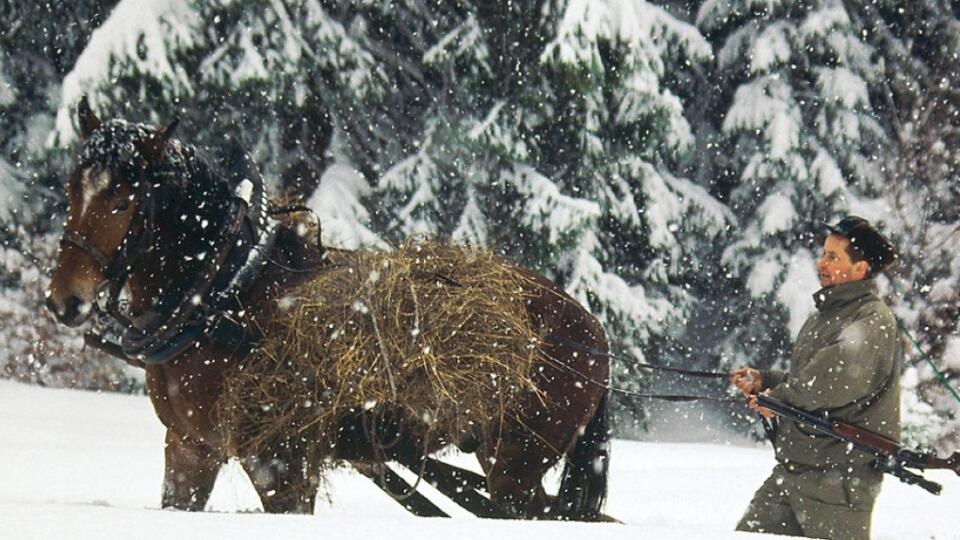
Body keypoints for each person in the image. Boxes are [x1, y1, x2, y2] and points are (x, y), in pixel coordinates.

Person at [730, 216, 902, 539]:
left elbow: (828, 384)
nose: (822, 263)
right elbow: (809, 378)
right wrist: (766, 381)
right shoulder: (827, 315)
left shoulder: (871, 319)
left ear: (860, 269)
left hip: (838, 483)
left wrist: (778, 399)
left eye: (834, 257)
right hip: (795, 472)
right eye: (824, 254)